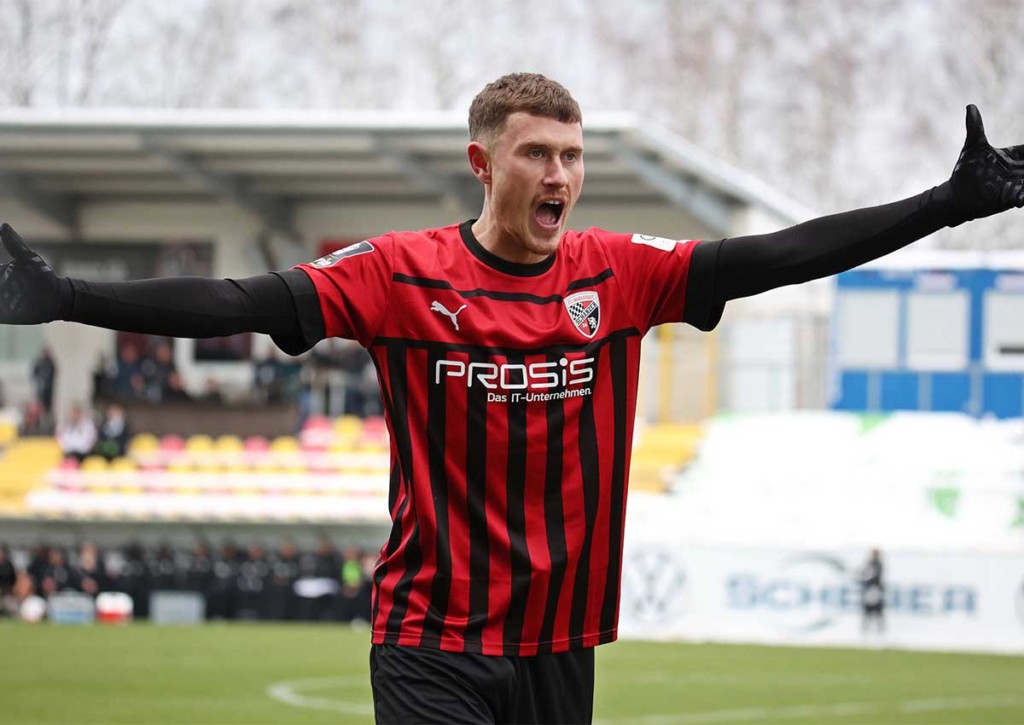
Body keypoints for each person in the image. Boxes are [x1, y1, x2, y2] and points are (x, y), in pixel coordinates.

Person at [0, 73, 1022, 723]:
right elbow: (240, 299)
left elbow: (778, 255)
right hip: (431, 636)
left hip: (558, 643)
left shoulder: (619, 271)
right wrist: (70, 296)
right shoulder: (399, 272)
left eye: (571, 155)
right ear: (483, 163)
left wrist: (942, 205)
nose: (558, 172)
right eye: (537, 152)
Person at [858, 548, 886, 635]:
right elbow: (864, 574)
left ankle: (880, 631)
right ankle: (865, 630)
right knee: (867, 611)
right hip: (869, 590)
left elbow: (873, 576)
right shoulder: (869, 564)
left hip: (876, 590)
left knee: (878, 611)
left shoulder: (879, 564)